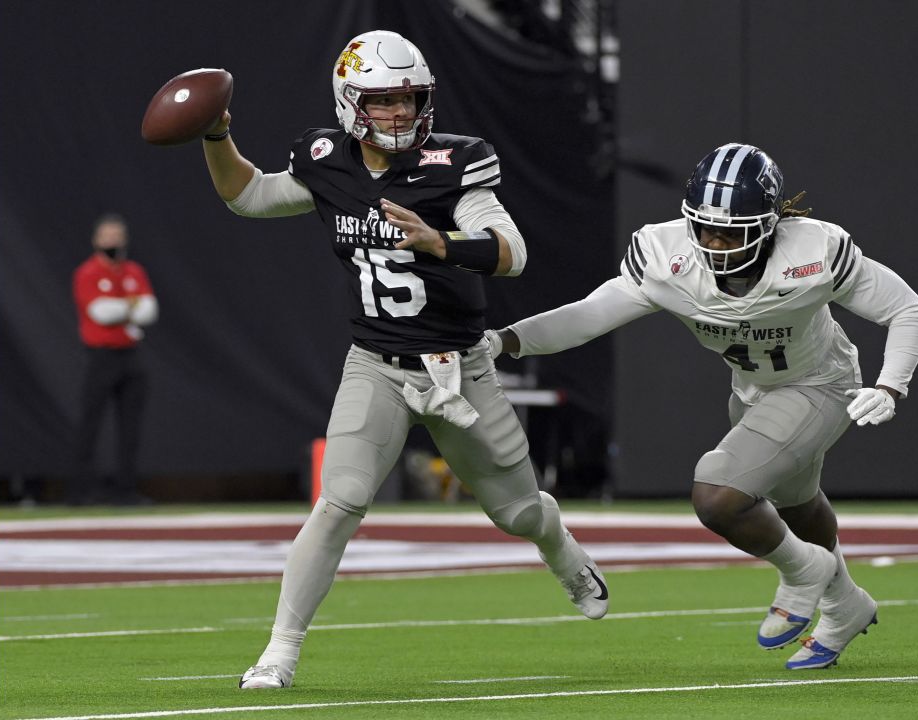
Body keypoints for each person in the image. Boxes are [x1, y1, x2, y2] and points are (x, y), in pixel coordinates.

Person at [198, 30, 609, 690]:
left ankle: (559, 546)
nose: (398, 114)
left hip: (460, 368)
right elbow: (249, 196)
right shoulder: (327, 158)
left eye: (409, 100)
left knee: (518, 514)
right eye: (384, 101)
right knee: (339, 503)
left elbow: (512, 249)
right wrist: (216, 138)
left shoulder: (454, 163)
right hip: (378, 364)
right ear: (350, 102)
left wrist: (440, 243)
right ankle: (280, 650)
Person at [486, 143, 918, 670]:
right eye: (705, 229)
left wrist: (890, 386)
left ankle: (804, 572)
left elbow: (908, 309)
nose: (716, 243)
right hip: (750, 391)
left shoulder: (812, 252)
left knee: (718, 493)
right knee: (797, 504)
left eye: (733, 231)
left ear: (769, 224)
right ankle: (845, 606)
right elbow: (589, 316)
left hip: (821, 384)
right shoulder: (665, 255)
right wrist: (505, 340)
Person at [70, 213, 159, 506]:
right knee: (90, 424)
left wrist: (122, 308)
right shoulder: (88, 272)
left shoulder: (134, 271)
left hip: (131, 356)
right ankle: (82, 490)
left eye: (117, 236)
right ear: (96, 240)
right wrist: (130, 306)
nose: (113, 242)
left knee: (130, 427)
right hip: (101, 356)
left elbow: (150, 311)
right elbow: (100, 312)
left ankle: (126, 490)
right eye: (107, 236)